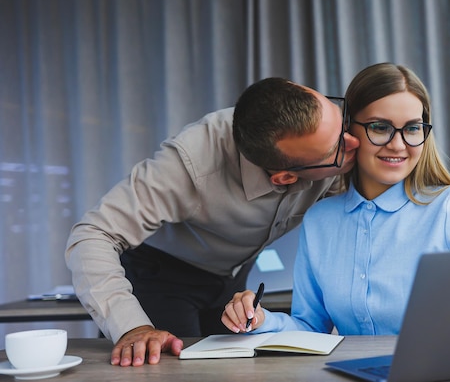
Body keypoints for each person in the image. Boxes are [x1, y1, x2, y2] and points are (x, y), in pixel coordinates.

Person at [65, 77, 360, 366]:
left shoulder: (332, 144)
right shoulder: (192, 164)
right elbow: (92, 234)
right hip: (161, 278)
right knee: (173, 372)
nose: (355, 143)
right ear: (284, 177)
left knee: (239, 370)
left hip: (234, 281)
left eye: (342, 122)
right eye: (336, 150)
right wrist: (132, 327)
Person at [222, 63, 450, 335]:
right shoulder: (320, 220)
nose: (398, 144)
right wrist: (260, 319)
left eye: (412, 128)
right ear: (349, 130)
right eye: (380, 127)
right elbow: (309, 327)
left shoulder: (448, 210)